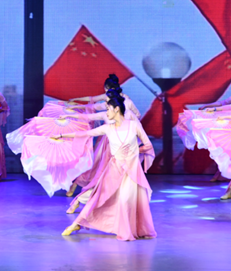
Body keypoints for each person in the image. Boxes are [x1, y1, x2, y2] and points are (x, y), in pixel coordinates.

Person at [54, 96, 157, 242]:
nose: (106, 112)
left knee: (125, 200)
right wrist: (61, 135)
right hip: (113, 170)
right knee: (97, 199)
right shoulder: (107, 128)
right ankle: (77, 223)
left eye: (108, 109)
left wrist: (134, 152)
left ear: (116, 109)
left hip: (131, 172)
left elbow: (148, 145)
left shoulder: (134, 125)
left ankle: (127, 230)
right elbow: (84, 134)